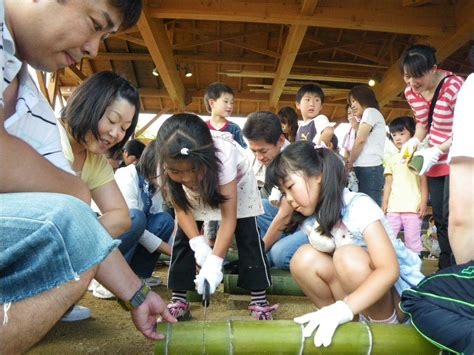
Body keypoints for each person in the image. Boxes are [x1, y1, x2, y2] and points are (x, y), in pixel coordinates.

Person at [0, 1, 175, 353]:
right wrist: (74, 193)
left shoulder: (32, 102)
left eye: (124, 128)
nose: (93, 48)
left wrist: (137, 294)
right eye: (96, 24)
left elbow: (84, 221)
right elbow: (73, 210)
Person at [266, 142, 424, 348]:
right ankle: (348, 330)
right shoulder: (311, 219)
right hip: (359, 297)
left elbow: (389, 270)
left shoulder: (358, 206)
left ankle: (386, 333)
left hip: (402, 298)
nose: (289, 199)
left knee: (346, 256)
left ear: (317, 174)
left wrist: (344, 307)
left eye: (290, 187)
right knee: (303, 259)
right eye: (283, 193)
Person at [156, 113, 278, 321]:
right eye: (177, 172)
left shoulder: (224, 158)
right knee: (182, 238)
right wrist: (198, 243)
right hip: (202, 185)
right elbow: (182, 211)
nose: (186, 179)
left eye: (193, 170)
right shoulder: (165, 162)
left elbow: (229, 218)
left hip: (236, 183)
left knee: (247, 233)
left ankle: (258, 299)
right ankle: (179, 299)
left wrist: (214, 261)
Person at [58, 71, 149, 300]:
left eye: (125, 127)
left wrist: (71, 246)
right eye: (111, 120)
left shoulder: (95, 161)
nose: (116, 133)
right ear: (88, 104)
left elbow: (121, 217)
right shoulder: (50, 136)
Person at [399, 44, 464, 269]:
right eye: (407, 77)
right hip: (433, 161)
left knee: (455, 216)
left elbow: (466, 128)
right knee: (441, 218)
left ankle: (460, 266)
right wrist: (415, 141)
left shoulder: (455, 86)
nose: (412, 84)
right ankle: (445, 267)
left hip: (457, 159)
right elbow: (422, 124)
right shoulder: (411, 92)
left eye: (417, 77)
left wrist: (438, 149)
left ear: (434, 69)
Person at [242, 111, 309, 270]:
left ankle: (276, 252)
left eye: (263, 151)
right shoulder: (273, 161)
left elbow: (285, 215)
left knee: (280, 255)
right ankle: (274, 249)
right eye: (254, 151)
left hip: (320, 223)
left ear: (280, 140)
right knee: (256, 207)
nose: (258, 157)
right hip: (298, 219)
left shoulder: (293, 161)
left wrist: (258, 252)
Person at [115, 139, 174, 286]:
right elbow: (131, 224)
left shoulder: (154, 186)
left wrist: (181, 252)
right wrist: (172, 252)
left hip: (136, 228)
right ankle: (113, 278)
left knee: (164, 220)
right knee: (136, 218)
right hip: (114, 232)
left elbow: (158, 222)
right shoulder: (126, 176)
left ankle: (139, 275)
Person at [382, 116, 428, 255]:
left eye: (402, 133)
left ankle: (415, 272)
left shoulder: (419, 156)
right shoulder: (391, 158)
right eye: (394, 135)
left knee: (412, 242)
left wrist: (424, 202)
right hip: (393, 208)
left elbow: (423, 182)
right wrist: (385, 203)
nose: (397, 138)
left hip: (413, 208)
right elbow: (388, 183)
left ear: (413, 133)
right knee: (388, 240)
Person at [346, 85, 386, 206]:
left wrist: (350, 161)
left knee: (369, 207)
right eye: (350, 102)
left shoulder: (370, 111)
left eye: (354, 100)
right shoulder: (371, 115)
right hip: (368, 167)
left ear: (364, 98)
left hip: (370, 167)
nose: (352, 105)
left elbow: (361, 140)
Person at [204, 82, 247, 148]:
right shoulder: (202, 127)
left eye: (232, 102)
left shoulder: (234, 128)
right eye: (225, 101)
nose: (230, 106)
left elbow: (243, 150)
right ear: (212, 103)